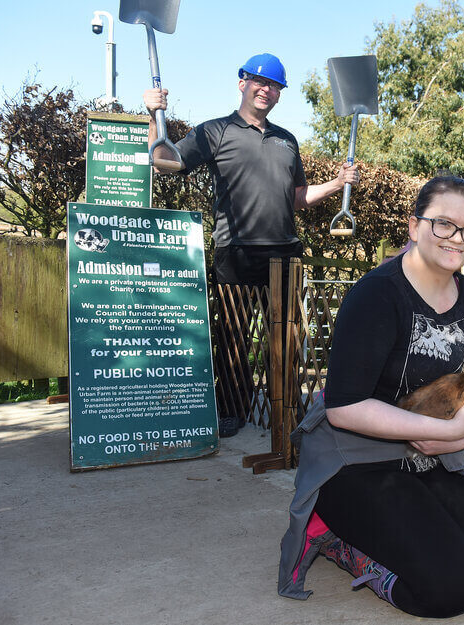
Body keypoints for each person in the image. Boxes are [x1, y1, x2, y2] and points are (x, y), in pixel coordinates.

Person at [278, 176, 464, 617]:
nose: (457, 239)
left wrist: (462, 436)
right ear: (414, 226)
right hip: (357, 460)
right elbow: (344, 406)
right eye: (443, 224)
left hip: (434, 454)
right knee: (452, 591)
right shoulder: (377, 295)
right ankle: (336, 539)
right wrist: (442, 432)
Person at [143, 53, 360, 438]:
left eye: (274, 85)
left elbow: (296, 198)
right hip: (235, 251)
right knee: (233, 337)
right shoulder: (215, 131)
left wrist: (337, 183)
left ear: (279, 95)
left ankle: (286, 410)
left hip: (285, 253)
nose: (267, 89)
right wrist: (151, 114)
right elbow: (163, 160)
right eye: (260, 81)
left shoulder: (287, 141)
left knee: (287, 337)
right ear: (242, 82)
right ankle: (231, 409)